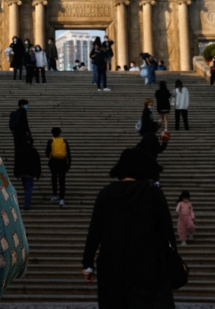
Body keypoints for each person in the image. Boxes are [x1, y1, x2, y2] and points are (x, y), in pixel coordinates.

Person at [82, 148, 176, 308]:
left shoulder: (106, 194)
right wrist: (173, 260)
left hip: (113, 266)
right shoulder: (153, 193)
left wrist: (88, 264)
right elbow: (167, 232)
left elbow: (95, 232)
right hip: (148, 267)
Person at [14, 135, 42, 210]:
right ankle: (27, 205)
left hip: (22, 172)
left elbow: (17, 162)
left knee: (26, 188)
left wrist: (16, 173)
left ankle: (27, 202)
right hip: (30, 173)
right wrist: (38, 174)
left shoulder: (20, 150)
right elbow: (37, 163)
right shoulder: (34, 151)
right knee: (28, 188)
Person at [46, 127, 71, 206]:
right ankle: (62, 198)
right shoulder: (64, 141)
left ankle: (55, 195)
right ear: (60, 133)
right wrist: (68, 165)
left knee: (54, 178)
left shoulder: (50, 141)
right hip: (62, 163)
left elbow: (47, 153)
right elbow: (68, 154)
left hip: (53, 162)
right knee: (62, 180)